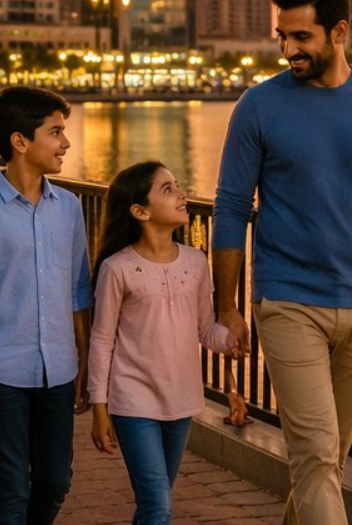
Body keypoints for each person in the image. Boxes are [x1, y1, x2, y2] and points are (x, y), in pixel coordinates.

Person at [211, 0, 352, 524]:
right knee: (313, 456)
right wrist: (228, 306)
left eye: (301, 37)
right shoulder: (257, 108)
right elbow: (232, 208)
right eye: (282, 36)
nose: (288, 49)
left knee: (325, 463)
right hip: (287, 302)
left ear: (339, 32)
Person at [0, 86, 93, 525]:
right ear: (20, 141)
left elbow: (78, 292)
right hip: (1, 371)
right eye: (55, 132)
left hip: (59, 370)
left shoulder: (69, 208)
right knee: (9, 490)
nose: (65, 143)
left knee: (54, 481)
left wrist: (85, 364)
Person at [86, 161, 235, 525]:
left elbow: (204, 329)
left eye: (178, 185)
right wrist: (99, 407)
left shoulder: (196, 262)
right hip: (133, 400)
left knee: (156, 503)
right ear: (140, 211)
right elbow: (102, 340)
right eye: (167, 189)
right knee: (158, 507)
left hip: (182, 399)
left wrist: (232, 340)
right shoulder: (117, 269)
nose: (181, 194)